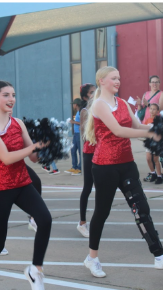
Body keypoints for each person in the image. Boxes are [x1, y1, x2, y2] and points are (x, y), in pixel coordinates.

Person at [83, 66, 163, 278]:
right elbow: (118, 130)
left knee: (141, 208)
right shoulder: (99, 104)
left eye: (119, 78)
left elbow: (137, 125)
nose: (118, 81)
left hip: (127, 164)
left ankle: (159, 255)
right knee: (101, 213)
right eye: (113, 78)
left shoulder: (122, 103)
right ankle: (92, 258)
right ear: (101, 81)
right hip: (104, 166)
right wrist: (152, 134)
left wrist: (158, 128)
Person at [0, 80, 52, 290]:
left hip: (22, 183)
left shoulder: (18, 123)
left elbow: (34, 158)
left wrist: (46, 144)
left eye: (13, 95)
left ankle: (35, 270)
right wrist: (34, 147)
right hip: (1, 188)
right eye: (6, 95)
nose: (11, 99)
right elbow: (6, 158)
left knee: (45, 219)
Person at [76, 84, 96, 237]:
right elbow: (85, 134)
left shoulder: (102, 107)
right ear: (85, 97)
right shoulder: (85, 111)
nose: (95, 93)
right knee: (88, 187)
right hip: (90, 152)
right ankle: (82, 222)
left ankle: (97, 222)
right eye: (91, 92)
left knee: (103, 187)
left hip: (103, 151)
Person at [142, 103, 163, 185]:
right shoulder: (147, 120)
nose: (152, 110)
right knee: (148, 158)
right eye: (151, 109)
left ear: (158, 111)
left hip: (156, 143)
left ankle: (159, 176)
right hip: (149, 142)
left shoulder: (159, 120)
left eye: (154, 109)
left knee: (155, 159)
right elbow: (144, 130)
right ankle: (153, 173)